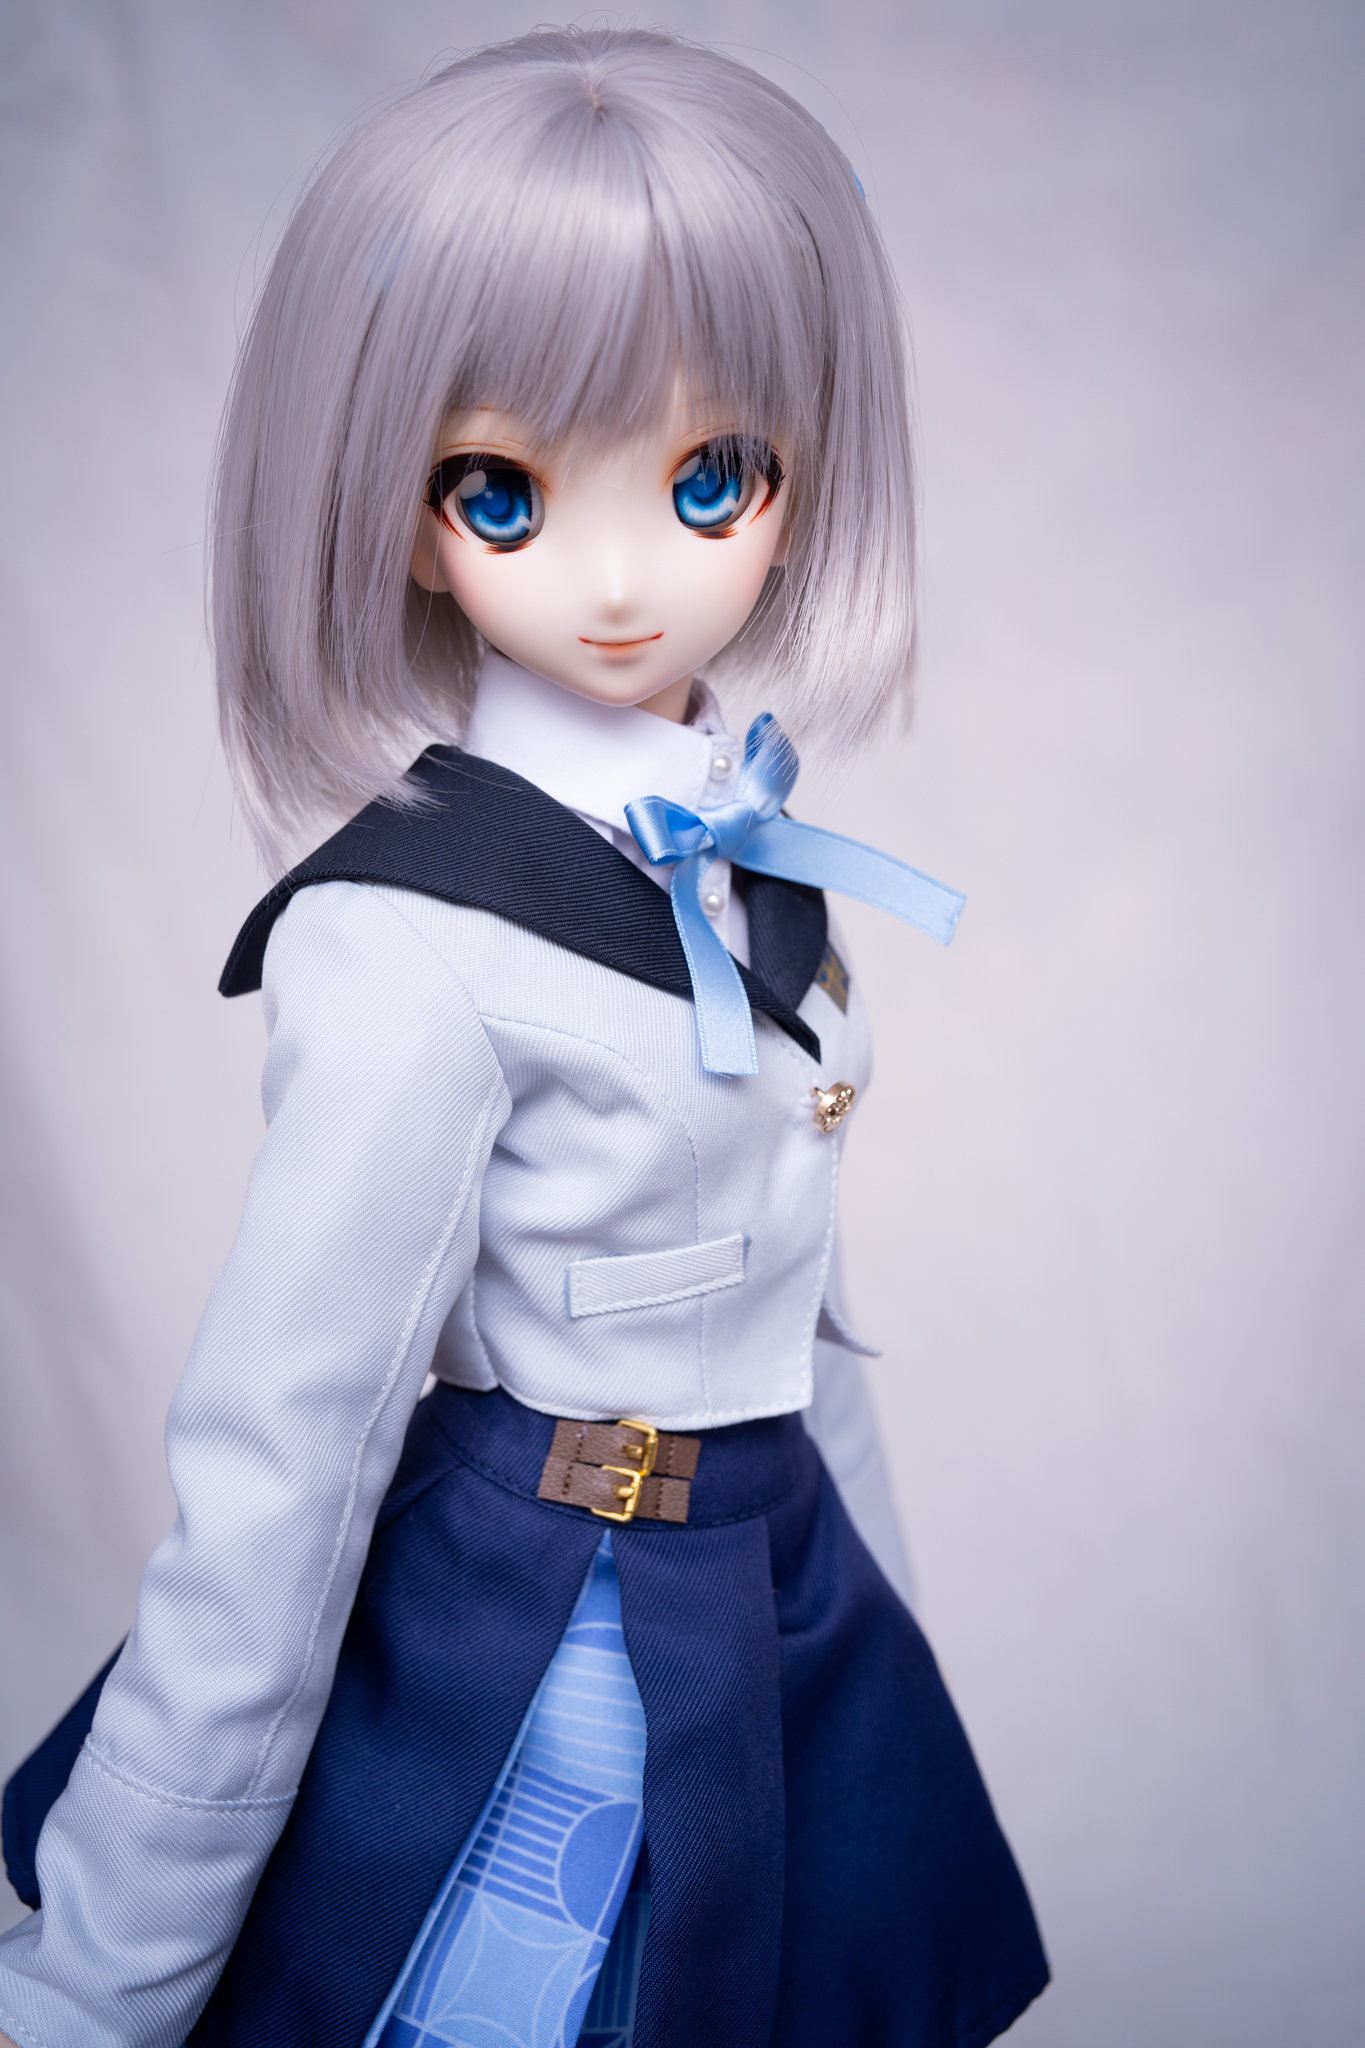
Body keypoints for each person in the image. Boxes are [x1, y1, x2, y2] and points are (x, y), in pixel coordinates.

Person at [0, 26, 1048, 2048]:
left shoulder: (766, 878)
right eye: (501, 488)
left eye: (710, 475)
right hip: (539, 1650)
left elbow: (802, 1337)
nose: (623, 572)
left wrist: (878, 1676)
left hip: (772, 1627)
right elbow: (284, 1460)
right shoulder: (410, 935)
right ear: (398, 504)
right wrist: (98, 1981)